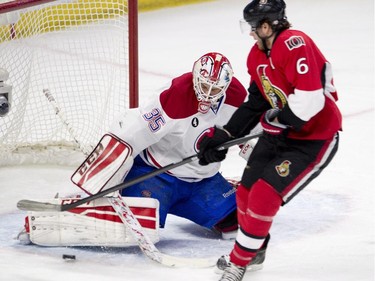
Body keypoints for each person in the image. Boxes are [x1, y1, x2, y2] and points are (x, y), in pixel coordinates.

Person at [197, 1, 342, 280]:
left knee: (264, 195)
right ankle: (255, 250)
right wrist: (224, 135)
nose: (251, 34)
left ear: (266, 26)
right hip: (281, 134)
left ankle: (239, 262)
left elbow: (310, 100)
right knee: (245, 192)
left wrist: (277, 120)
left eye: (253, 28)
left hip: (313, 139)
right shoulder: (257, 56)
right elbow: (256, 102)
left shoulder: (293, 43)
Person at [113, 52, 247, 238]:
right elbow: (134, 134)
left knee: (238, 223)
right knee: (137, 229)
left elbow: (250, 136)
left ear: (225, 86)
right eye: (204, 86)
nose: (207, 95)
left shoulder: (237, 96)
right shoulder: (174, 94)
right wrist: (107, 179)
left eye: (214, 90)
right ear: (195, 77)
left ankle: (211, 195)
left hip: (202, 180)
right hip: (155, 174)